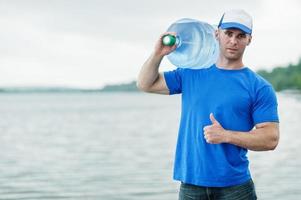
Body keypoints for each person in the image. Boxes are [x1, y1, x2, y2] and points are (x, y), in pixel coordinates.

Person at [137, 9, 279, 200]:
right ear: (216, 34)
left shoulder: (259, 87)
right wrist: (158, 54)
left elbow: (270, 139)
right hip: (191, 184)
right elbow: (146, 84)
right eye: (228, 33)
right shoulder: (191, 72)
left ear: (249, 40)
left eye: (241, 36)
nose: (233, 41)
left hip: (235, 187)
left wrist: (226, 135)